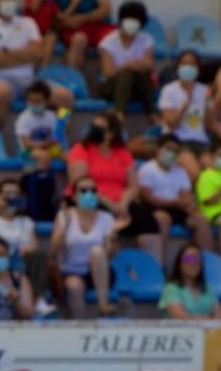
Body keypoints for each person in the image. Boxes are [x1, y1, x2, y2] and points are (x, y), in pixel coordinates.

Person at [0, 0, 73, 128]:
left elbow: (39, 53)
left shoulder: (28, 23)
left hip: (28, 82)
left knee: (65, 97)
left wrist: (7, 52)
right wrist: (25, 55)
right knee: (3, 91)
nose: (10, 2)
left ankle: (57, 139)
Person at [66, 111, 163, 261]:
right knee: (107, 220)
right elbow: (80, 184)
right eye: (94, 126)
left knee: (148, 221)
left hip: (120, 202)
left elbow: (133, 185)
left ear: (111, 134)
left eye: (100, 128)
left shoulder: (122, 152)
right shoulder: (81, 149)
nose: (94, 130)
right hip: (92, 199)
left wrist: (123, 203)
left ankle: (155, 270)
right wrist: (111, 205)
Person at [52, 176, 118, 318]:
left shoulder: (107, 218)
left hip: (100, 273)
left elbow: (109, 255)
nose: (89, 194)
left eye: (93, 190)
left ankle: (103, 304)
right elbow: (54, 251)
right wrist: (65, 228)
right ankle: (81, 328)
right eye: (83, 190)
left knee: (97, 251)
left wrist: (113, 238)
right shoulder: (64, 216)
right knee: (74, 287)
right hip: (71, 271)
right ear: (74, 196)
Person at [138, 135, 213, 259]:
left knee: (201, 220)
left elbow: (186, 195)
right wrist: (173, 202)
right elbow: (147, 197)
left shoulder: (180, 172)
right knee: (163, 219)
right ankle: (158, 262)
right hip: (153, 208)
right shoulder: (147, 169)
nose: (171, 154)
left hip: (177, 208)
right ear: (158, 149)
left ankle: (207, 261)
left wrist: (189, 207)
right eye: (168, 149)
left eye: (175, 151)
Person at [0, 178, 46, 298]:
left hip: (19, 264)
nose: (12, 198)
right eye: (7, 195)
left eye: (15, 194)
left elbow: (34, 246)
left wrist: (25, 249)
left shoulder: (26, 221)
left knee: (39, 257)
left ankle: (39, 299)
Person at [157, 51, 212, 180]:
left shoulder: (204, 90)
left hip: (200, 141)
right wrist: (186, 103)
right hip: (178, 140)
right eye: (185, 63)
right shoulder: (169, 90)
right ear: (178, 67)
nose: (189, 67)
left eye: (193, 64)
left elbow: (208, 125)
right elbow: (171, 123)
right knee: (196, 173)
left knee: (214, 173)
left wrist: (208, 105)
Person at [98, 0, 157, 116]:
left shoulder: (146, 39)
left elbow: (150, 65)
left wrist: (138, 66)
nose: (132, 22)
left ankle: (151, 112)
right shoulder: (108, 42)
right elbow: (107, 73)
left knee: (143, 73)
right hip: (111, 87)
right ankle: (120, 112)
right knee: (127, 71)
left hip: (136, 86)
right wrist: (127, 66)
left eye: (136, 20)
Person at [159, 242, 221, 320]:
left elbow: (219, 315)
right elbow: (179, 316)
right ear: (179, 264)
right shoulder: (171, 288)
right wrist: (208, 318)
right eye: (188, 259)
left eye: (196, 259)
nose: (192, 263)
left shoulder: (207, 288)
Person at [14, 80, 64, 171]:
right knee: (44, 156)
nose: (34, 104)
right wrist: (44, 144)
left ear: (46, 101)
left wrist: (53, 142)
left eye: (37, 101)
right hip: (28, 151)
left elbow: (56, 138)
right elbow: (26, 143)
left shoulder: (51, 116)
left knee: (68, 156)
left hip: (49, 147)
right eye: (31, 100)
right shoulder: (23, 118)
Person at [23, 0, 60, 66]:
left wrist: (73, 5)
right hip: (30, 34)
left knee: (51, 37)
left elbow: (60, 17)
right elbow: (34, 7)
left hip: (45, 35)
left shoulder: (50, 2)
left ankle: (44, 68)